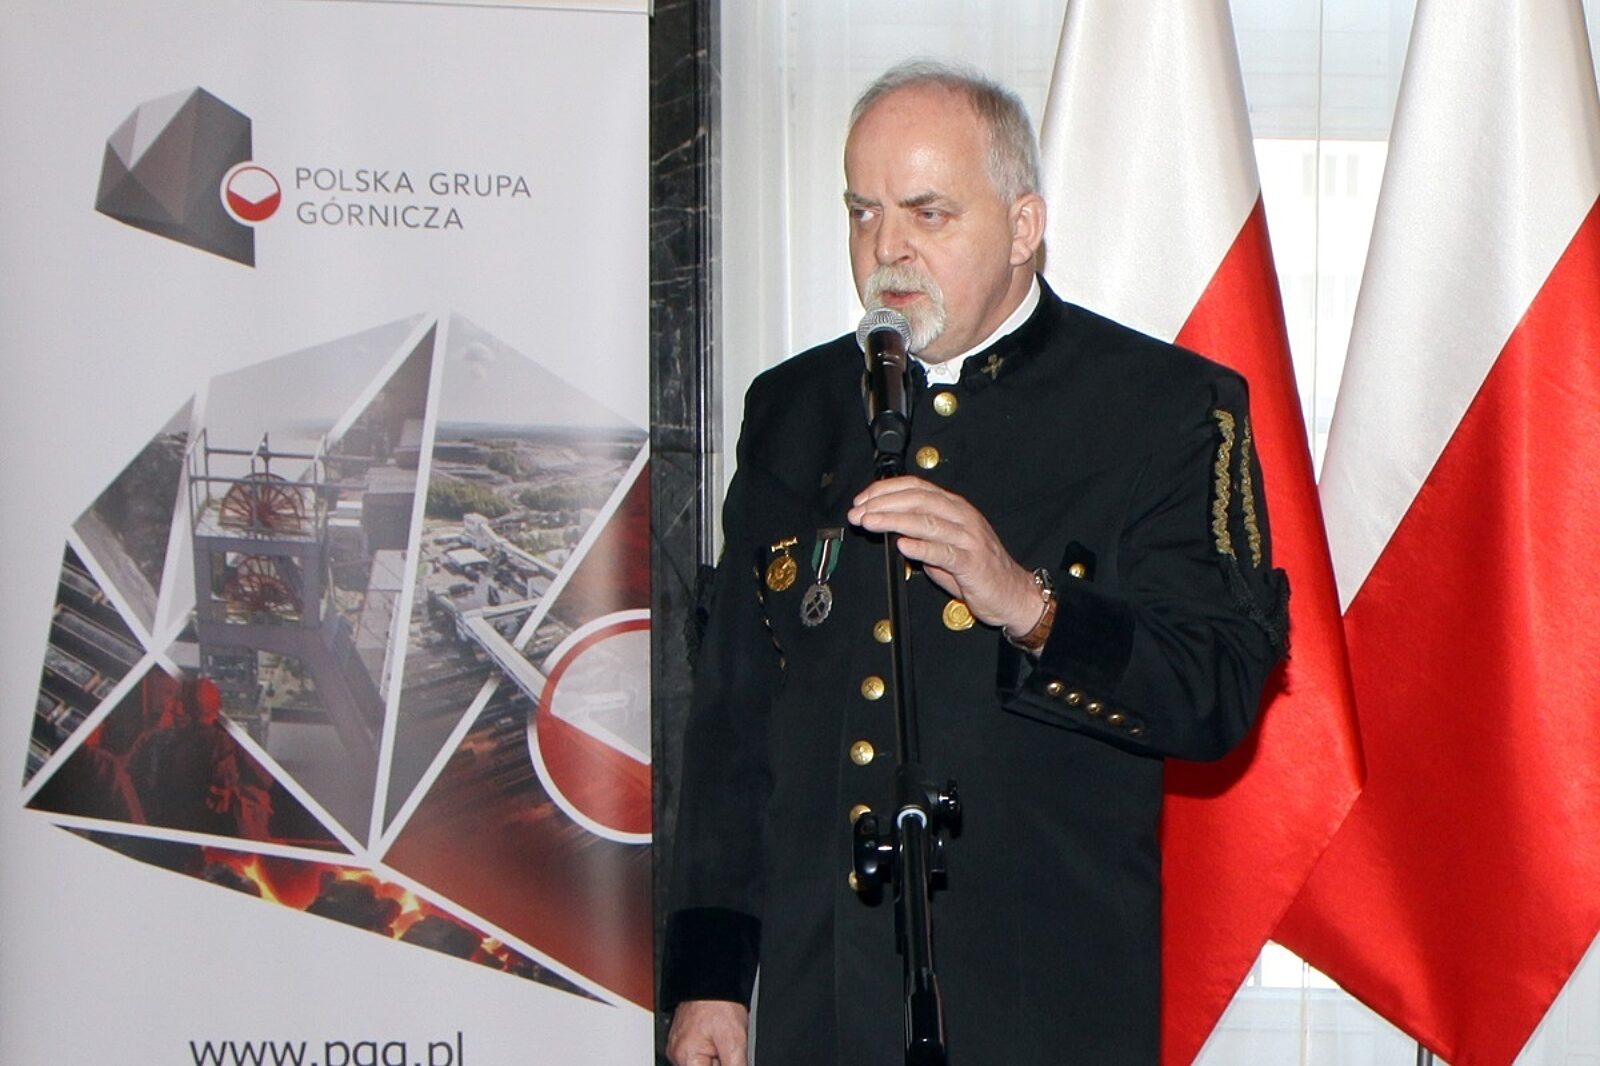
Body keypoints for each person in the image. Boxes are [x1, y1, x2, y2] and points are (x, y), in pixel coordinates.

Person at [662, 60, 1289, 1065]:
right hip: (825, 1010)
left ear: (1023, 225)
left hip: (1039, 1007)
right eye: (862, 212)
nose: (886, 248)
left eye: (928, 213)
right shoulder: (794, 408)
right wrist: (710, 975)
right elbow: (735, 717)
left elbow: (1214, 692)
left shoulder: (1164, 408)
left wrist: (1030, 606)